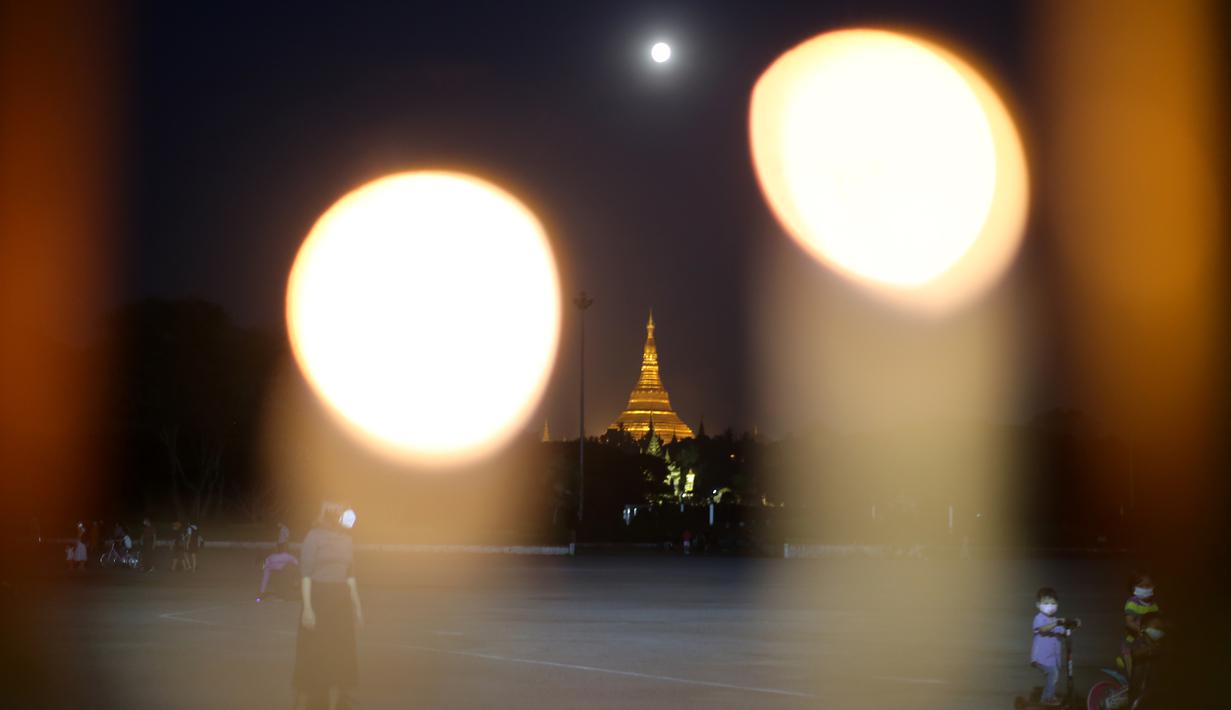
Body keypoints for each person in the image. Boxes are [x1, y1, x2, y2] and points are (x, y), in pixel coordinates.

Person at [294, 502, 362, 710]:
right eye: (340, 515)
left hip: (340, 600)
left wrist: (357, 607)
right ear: (330, 517)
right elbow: (306, 574)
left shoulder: (348, 540)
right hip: (318, 598)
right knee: (315, 654)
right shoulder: (313, 537)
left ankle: (343, 703)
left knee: (342, 652)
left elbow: (350, 576)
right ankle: (314, 703)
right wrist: (307, 608)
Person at [1030, 586, 1079, 707]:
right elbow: (1042, 629)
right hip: (1041, 657)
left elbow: (1064, 632)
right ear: (1038, 605)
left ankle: (1050, 697)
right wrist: (1056, 623)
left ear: (1057, 604)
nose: (1050, 606)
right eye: (1046, 603)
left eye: (1053, 603)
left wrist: (1075, 625)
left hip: (1052, 658)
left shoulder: (1055, 619)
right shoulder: (1039, 618)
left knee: (1054, 674)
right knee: (1053, 674)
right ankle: (1046, 699)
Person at [1117, 572, 1160, 677]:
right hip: (1132, 642)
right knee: (1134, 672)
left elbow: (1158, 622)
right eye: (1141, 586)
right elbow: (1129, 622)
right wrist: (1141, 630)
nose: (1145, 588)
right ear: (1133, 588)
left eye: (1148, 586)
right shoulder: (1133, 603)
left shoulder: (1154, 606)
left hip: (1148, 643)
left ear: (1153, 587)